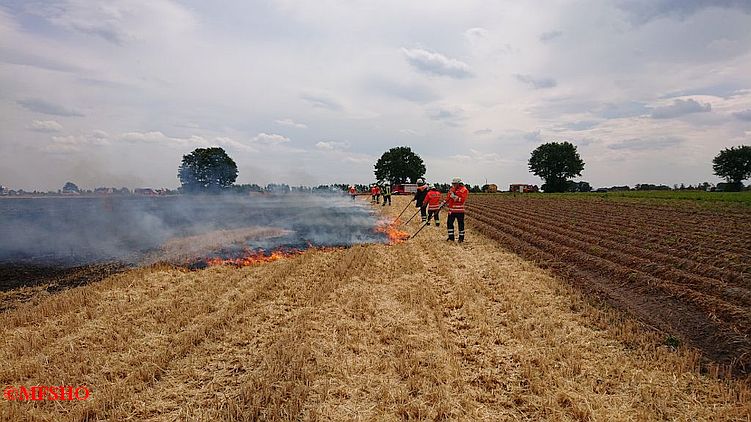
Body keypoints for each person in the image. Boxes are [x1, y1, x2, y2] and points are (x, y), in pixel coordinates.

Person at [446, 177, 469, 242]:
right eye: (453, 184)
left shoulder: (464, 190)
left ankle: (461, 238)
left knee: (461, 224)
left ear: (459, 183)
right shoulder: (452, 189)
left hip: (459, 211)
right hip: (452, 211)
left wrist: (454, 197)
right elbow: (448, 198)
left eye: (455, 184)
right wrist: (444, 202)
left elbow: (462, 200)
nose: (454, 185)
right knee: (449, 223)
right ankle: (451, 238)